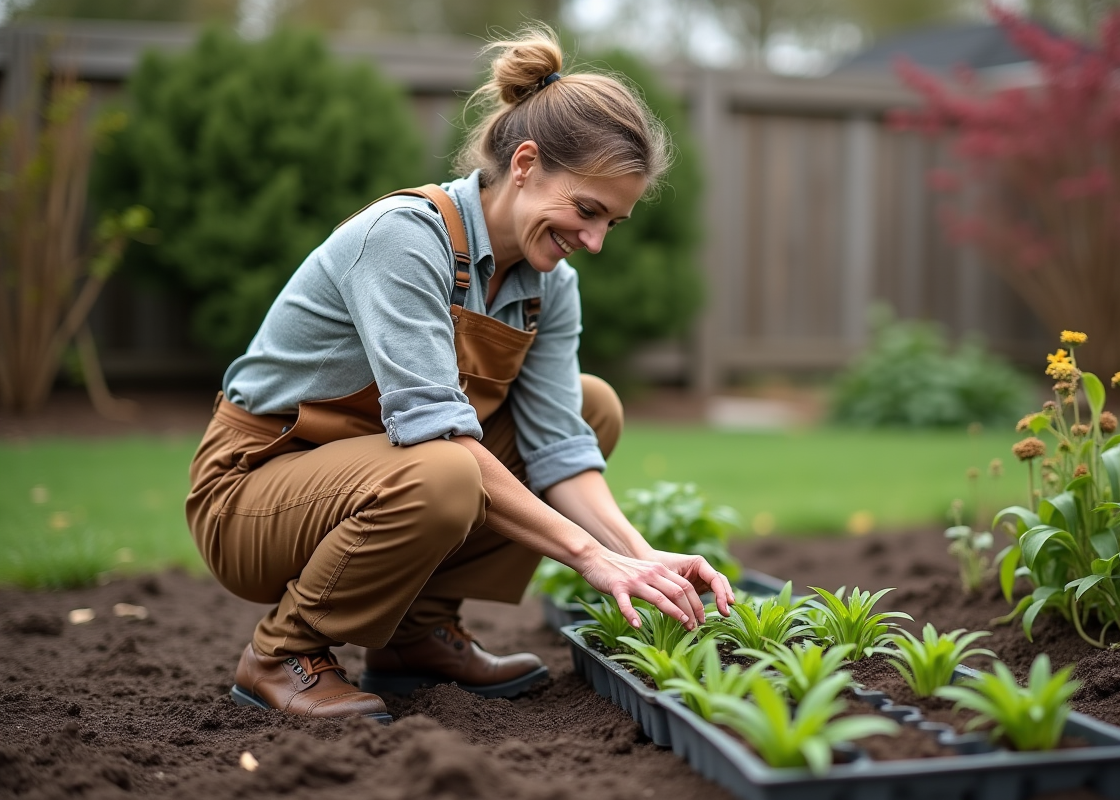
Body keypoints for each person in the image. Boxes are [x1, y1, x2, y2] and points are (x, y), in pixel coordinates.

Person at [185, 25, 734, 723]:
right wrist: (588, 558)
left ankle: (417, 638)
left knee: (594, 409)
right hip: (254, 491)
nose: (593, 243)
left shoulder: (548, 285)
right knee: (443, 470)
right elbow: (434, 436)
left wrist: (641, 556)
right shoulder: (404, 239)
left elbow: (560, 447)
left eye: (611, 226)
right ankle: (282, 654)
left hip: (377, 477)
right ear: (527, 164)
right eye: (587, 211)